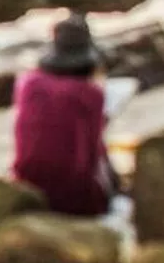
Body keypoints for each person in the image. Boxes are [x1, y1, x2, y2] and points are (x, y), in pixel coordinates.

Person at [9, 12, 117, 217]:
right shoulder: (91, 95)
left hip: (28, 186)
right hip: (76, 198)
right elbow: (94, 152)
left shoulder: (28, 84)